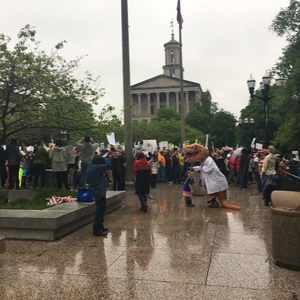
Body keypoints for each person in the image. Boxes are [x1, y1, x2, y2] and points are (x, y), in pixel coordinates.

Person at [86, 154, 112, 236]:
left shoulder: (90, 167)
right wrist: (105, 158)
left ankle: (100, 225)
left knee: (100, 209)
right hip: (99, 191)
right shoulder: (96, 168)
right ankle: (96, 229)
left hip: (95, 190)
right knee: (100, 211)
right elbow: (108, 164)